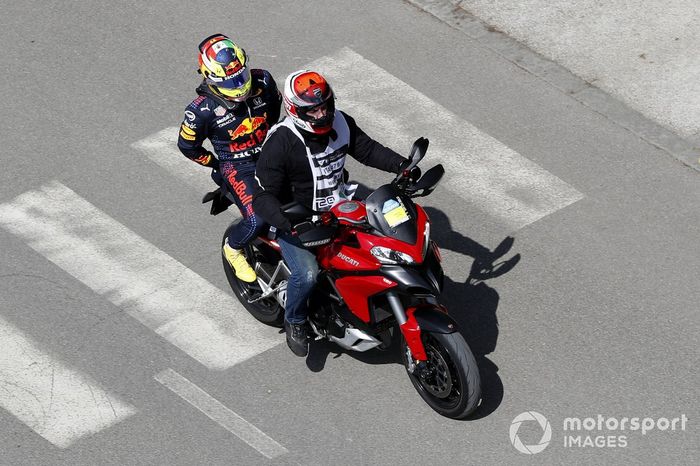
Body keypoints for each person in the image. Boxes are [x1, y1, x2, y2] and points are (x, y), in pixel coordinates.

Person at [253, 70, 419, 356]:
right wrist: (290, 224)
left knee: (388, 238)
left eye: (325, 105)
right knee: (307, 274)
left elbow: (367, 149)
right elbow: (262, 196)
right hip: (300, 221)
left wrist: (402, 166)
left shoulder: (341, 121)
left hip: (341, 207)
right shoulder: (281, 142)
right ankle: (295, 320)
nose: (322, 113)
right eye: (313, 110)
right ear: (295, 111)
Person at [177, 34, 281, 282]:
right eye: (231, 81)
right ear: (209, 77)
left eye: (241, 77)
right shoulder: (200, 111)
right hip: (239, 168)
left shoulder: (264, 80)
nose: (240, 85)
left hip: (271, 154)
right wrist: (216, 164)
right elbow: (187, 146)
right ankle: (233, 249)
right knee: (260, 219)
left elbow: (275, 114)